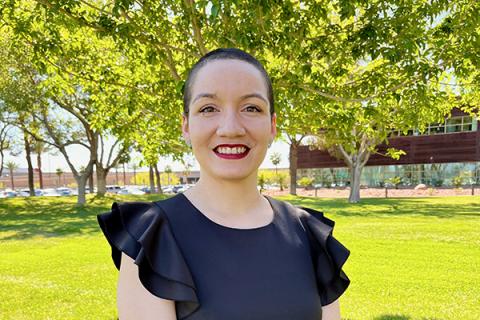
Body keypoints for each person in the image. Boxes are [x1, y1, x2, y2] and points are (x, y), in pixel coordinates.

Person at [97, 48, 350, 320]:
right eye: (208, 109)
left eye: (251, 108)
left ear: (272, 125)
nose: (230, 128)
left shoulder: (310, 234)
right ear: (186, 126)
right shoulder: (152, 238)